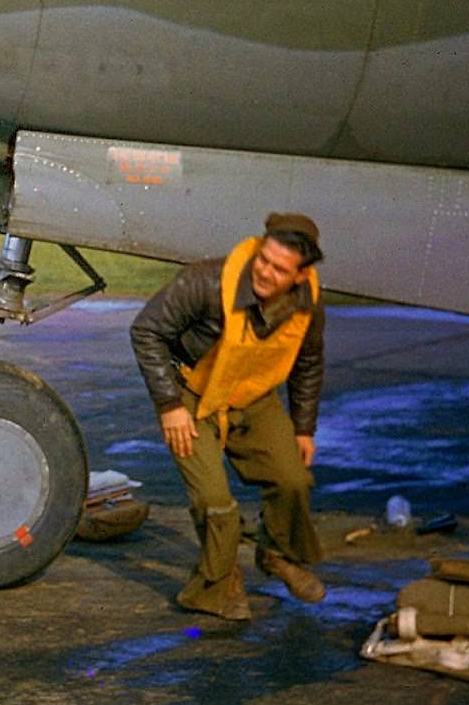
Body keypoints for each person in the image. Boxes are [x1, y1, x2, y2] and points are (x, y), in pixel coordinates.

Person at [129, 213, 328, 621]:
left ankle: (276, 554)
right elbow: (146, 330)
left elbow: (308, 363)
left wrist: (304, 429)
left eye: (279, 269)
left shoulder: (308, 304)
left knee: (292, 478)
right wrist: (170, 406)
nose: (266, 273)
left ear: (300, 275)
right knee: (216, 502)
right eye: (264, 260)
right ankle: (217, 585)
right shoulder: (206, 281)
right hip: (192, 396)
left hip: (252, 397)